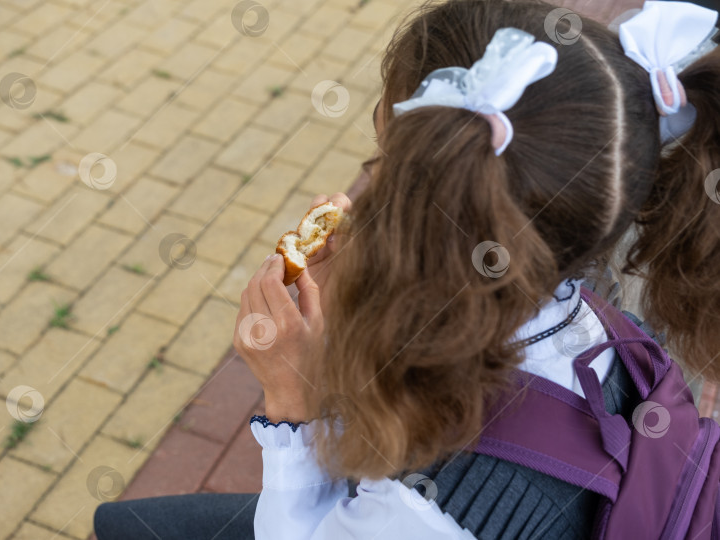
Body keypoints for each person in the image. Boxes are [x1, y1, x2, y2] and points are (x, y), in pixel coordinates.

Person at [94, 0, 720, 538]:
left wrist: (291, 394)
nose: (369, 183)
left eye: (387, 157)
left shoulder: (432, 514)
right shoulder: (586, 312)